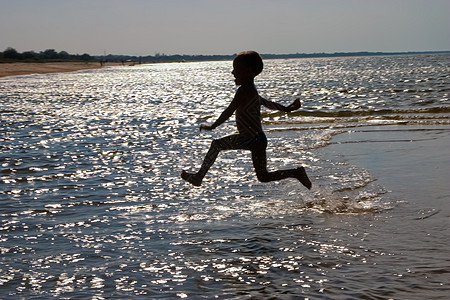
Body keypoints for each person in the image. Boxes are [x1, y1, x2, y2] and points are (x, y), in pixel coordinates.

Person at [181, 51, 312, 189]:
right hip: (258, 139)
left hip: (250, 138)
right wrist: (287, 108)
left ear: (248, 72)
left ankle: (199, 176)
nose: (233, 73)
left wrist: (213, 126)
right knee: (263, 176)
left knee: (216, 145)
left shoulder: (243, 91)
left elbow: (229, 111)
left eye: (236, 69)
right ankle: (295, 172)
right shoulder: (252, 91)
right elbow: (268, 103)